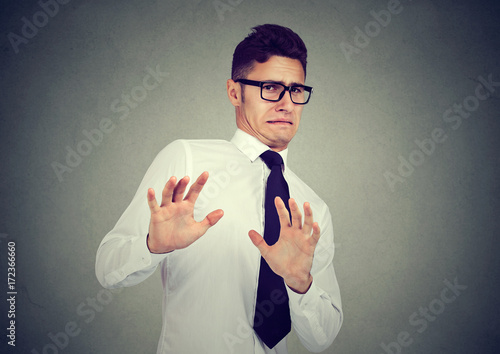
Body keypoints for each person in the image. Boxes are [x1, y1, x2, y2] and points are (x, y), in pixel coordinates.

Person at [95, 24, 342, 354]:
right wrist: (153, 245)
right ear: (234, 92)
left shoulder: (312, 208)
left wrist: (300, 283)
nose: (286, 103)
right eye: (271, 87)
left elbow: (321, 338)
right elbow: (107, 268)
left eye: (296, 90)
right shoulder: (187, 160)